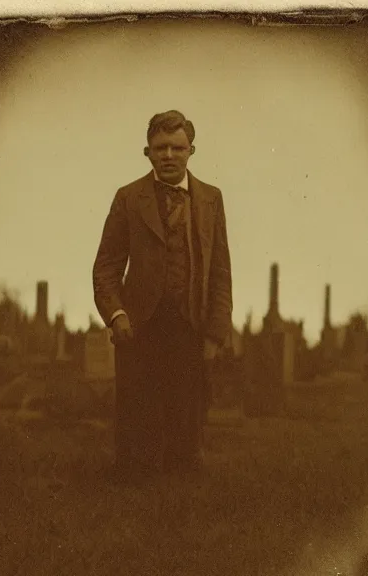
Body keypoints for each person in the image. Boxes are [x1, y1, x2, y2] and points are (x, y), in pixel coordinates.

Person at [92, 110, 232, 477]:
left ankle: (181, 508)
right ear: (147, 152)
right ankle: (134, 504)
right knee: (138, 427)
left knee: (186, 427)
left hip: (190, 327)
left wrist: (216, 333)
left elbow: (220, 270)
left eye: (177, 147)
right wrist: (117, 315)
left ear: (191, 150)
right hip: (139, 329)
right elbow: (106, 267)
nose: (169, 155)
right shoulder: (128, 198)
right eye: (160, 148)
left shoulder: (211, 199)